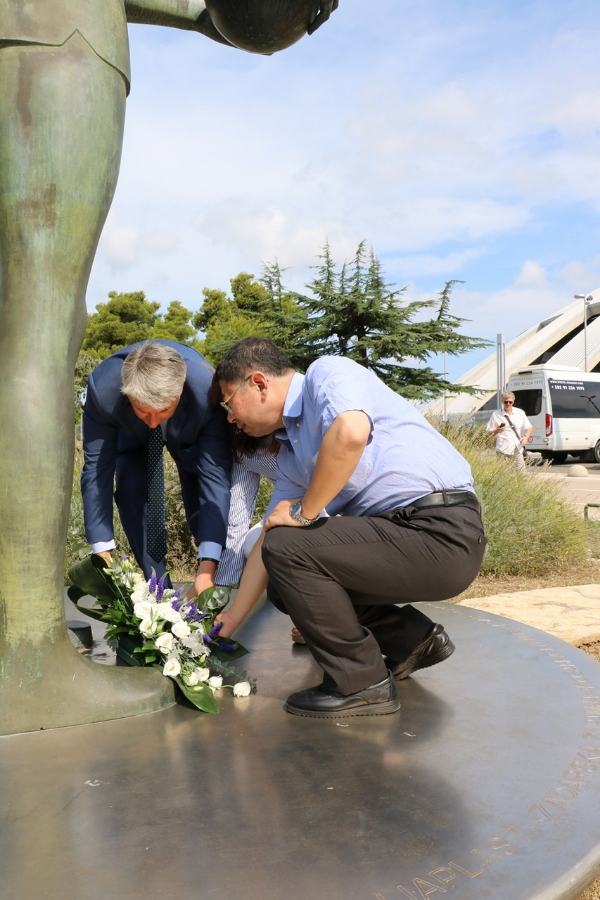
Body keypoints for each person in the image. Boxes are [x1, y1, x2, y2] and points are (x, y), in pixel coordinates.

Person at [213, 338, 487, 719]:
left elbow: (351, 433)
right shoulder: (292, 453)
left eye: (228, 403)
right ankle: (413, 641)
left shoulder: (326, 373)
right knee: (283, 581)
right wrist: (230, 619)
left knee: (288, 548)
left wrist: (305, 513)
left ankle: (361, 682)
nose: (229, 418)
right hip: (402, 535)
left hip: (442, 530)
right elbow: (271, 538)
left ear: (258, 383)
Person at [82, 340, 232, 597]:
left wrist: (207, 568)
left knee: (200, 493)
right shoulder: (102, 389)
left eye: (162, 411)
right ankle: (157, 585)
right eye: (144, 411)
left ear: (179, 393)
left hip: (190, 434)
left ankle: (210, 571)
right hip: (131, 435)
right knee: (130, 488)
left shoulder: (207, 389)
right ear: (127, 395)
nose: (153, 423)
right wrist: (102, 554)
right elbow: (96, 470)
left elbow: (214, 476)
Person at [486, 391, 532, 471]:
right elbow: (489, 431)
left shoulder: (520, 413)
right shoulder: (496, 414)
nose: (508, 404)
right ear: (502, 402)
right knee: (504, 474)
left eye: (510, 402)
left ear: (513, 401)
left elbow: (529, 427)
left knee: (521, 474)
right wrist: (497, 430)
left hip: (517, 449)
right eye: (506, 402)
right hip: (502, 450)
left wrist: (525, 437)